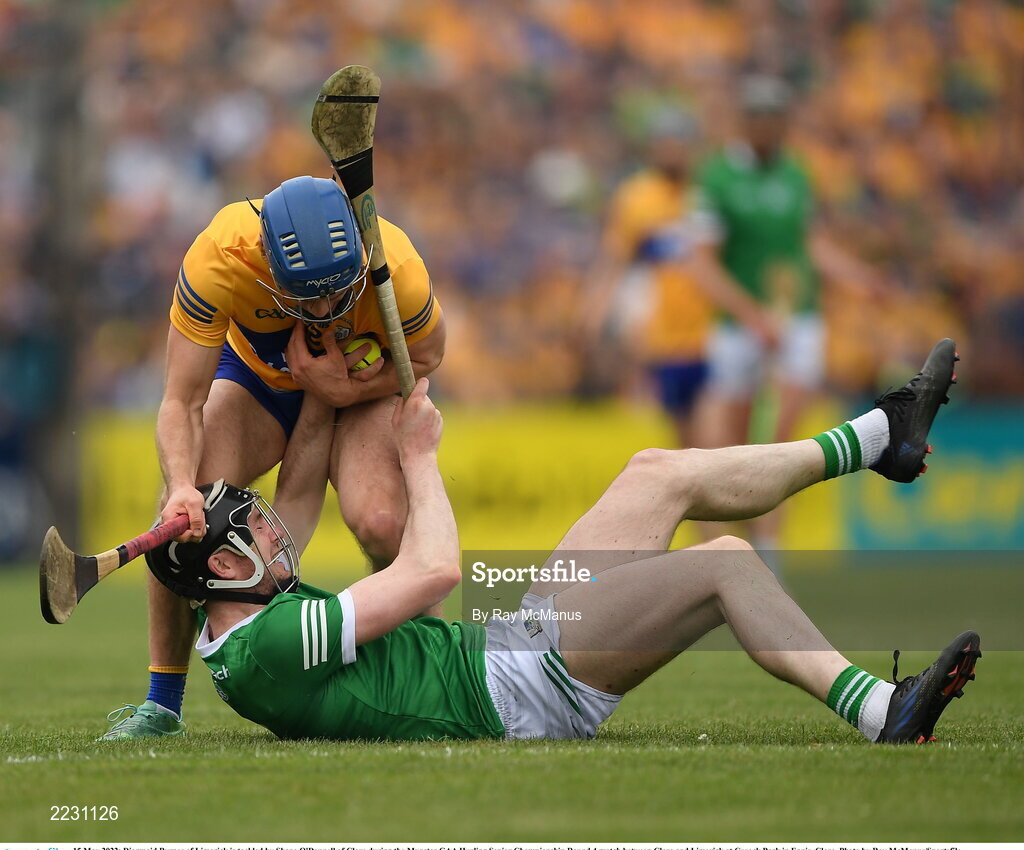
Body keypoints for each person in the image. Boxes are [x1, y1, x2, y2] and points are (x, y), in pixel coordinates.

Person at [120, 339, 980, 746]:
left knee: (656, 472)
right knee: (724, 562)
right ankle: (880, 710)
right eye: (256, 525)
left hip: (511, 643)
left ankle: (880, 439)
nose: (276, 522)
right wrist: (421, 459)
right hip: (520, 691)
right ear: (229, 566)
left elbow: (303, 477)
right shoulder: (267, 647)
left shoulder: (244, 600)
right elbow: (434, 571)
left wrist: (316, 384)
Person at [100, 175, 446, 740]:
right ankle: (162, 704)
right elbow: (181, 399)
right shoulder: (221, 255)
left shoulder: (397, 267)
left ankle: (434, 662)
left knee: (381, 521)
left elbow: (428, 358)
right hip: (258, 387)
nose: (323, 307)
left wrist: (340, 391)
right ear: (266, 255)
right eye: (305, 295)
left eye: (336, 291)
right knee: (179, 516)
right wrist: (185, 483)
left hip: (367, 392)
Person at [690, 75, 888, 551]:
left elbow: (809, 245)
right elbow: (702, 262)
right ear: (745, 122)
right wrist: (751, 314)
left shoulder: (796, 173)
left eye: (775, 118)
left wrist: (857, 276)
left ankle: (769, 542)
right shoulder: (718, 177)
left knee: (783, 435)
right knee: (737, 446)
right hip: (738, 327)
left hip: (797, 316)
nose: (767, 126)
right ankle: (736, 541)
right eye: (759, 117)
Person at [584, 116, 715, 448]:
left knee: (717, 439)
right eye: (663, 145)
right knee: (685, 443)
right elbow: (614, 259)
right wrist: (592, 312)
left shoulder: (711, 191)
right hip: (666, 340)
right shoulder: (637, 198)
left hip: (714, 333)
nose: (671, 152)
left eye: (677, 144)